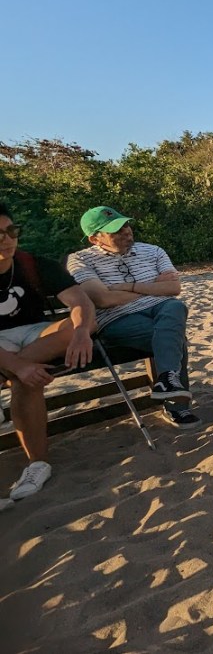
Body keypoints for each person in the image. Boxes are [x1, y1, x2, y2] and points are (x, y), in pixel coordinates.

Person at [67, 206, 201, 430]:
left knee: (175, 307)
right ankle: (175, 402)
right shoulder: (80, 260)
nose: (126, 232)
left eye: (126, 225)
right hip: (118, 319)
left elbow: (174, 288)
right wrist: (152, 286)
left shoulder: (153, 251)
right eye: (116, 230)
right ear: (94, 239)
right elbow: (103, 300)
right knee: (173, 336)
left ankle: (168, 380)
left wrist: (127, 287)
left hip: (162, 309)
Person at [0, 203, 96, 504]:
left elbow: (81, 302)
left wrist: (82, 332)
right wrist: (18, 366)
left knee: (73, 327)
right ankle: (37, 463)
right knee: (27, 377)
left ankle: (37, 464)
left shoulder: (33, 264)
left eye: (11, 230)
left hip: (35, 333)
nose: (6, 239)